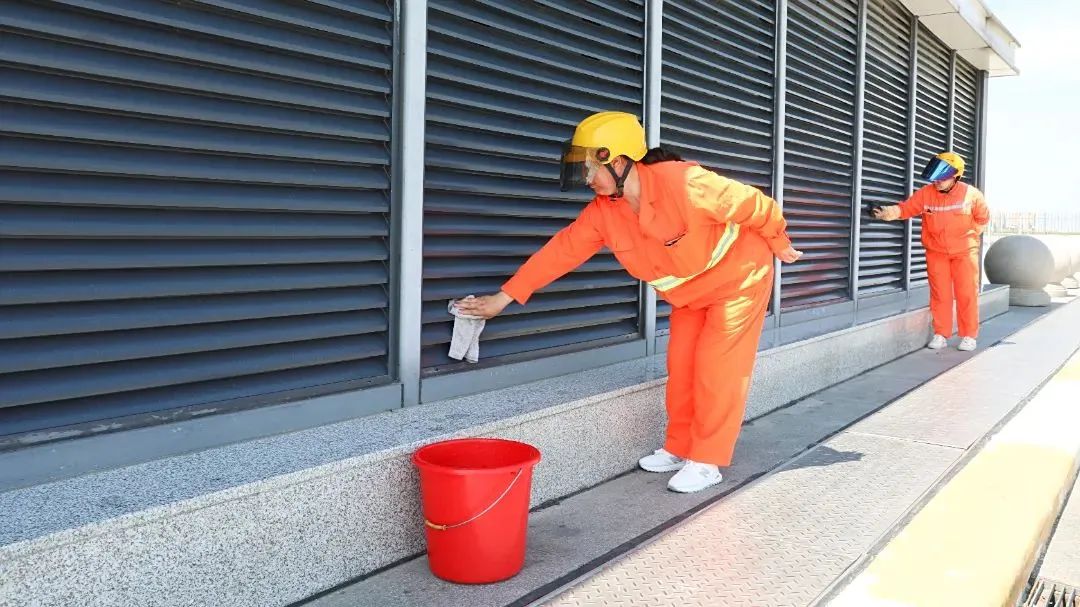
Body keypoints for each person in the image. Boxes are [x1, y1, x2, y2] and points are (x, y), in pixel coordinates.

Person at [455, 111, 802, 493]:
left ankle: (707, 460)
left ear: (618, 161)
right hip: (690, 294)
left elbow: (758, 205)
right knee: (682, 367)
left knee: (717, 368)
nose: (586, 177)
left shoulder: (686, 182)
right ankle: (680, 448)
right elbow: (562, 251)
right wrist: (503, 298)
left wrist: (779, 242)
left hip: (739, 279)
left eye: (590, 167)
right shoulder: (604, 212)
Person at [871, 152, 989, 352]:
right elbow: (906, 209)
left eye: (942, 177)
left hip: (964, 252)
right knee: (940, 294)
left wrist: (969, 237)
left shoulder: (972, 195)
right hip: (936, 252)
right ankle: (941, 334)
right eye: (936, 177)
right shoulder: (926, 193)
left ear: (956, 176)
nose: (937, 181)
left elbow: (983, 218)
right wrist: (886, 213)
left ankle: (969, 335)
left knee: (967, 293)